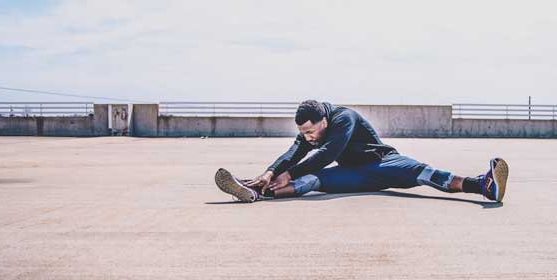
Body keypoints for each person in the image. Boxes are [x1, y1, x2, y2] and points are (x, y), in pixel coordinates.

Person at [214, 100, 509, 203]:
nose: (308, 137)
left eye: (312, 131)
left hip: (384, 164)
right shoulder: (310, 131)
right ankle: (254, 190)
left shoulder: (344, 118)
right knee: (312, 181)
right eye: (304, 133)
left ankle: (483, 185)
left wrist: (289, 171)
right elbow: (294, 152)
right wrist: (270, 172)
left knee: (425, 173)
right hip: (352, 175)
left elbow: (328, 153)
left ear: (325, 121)